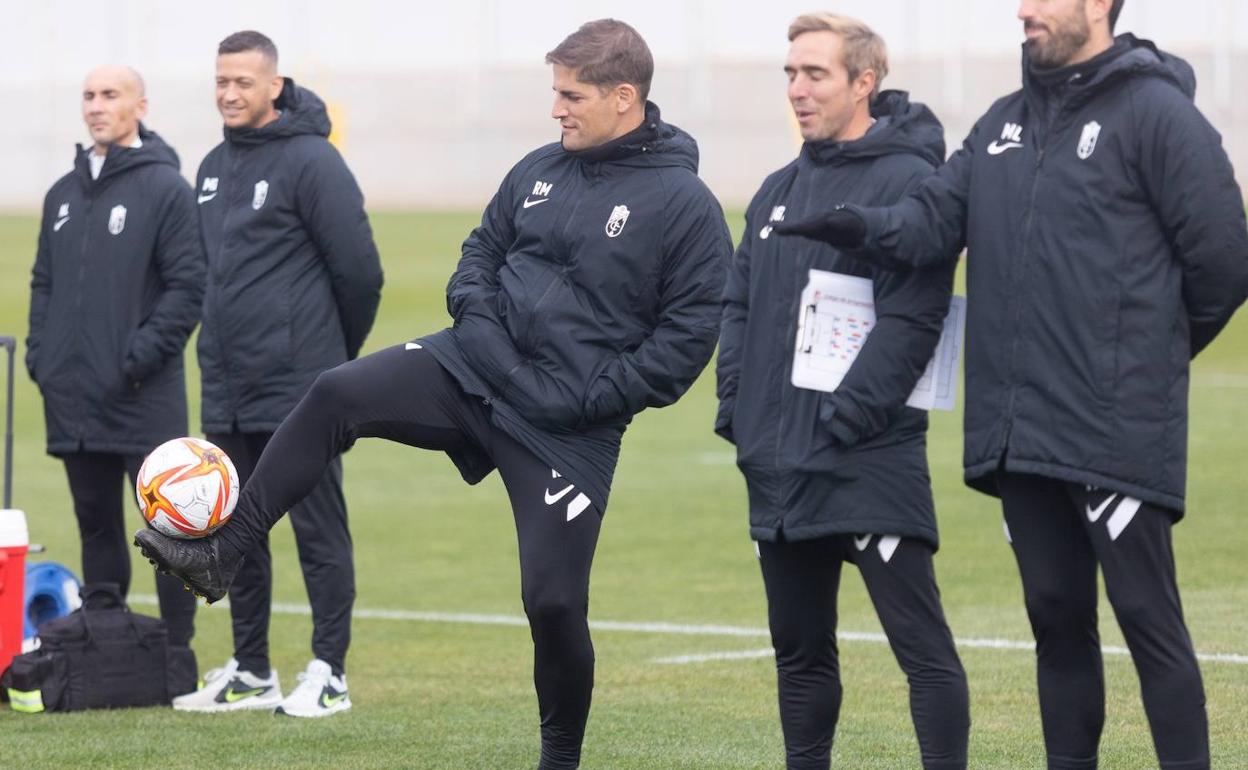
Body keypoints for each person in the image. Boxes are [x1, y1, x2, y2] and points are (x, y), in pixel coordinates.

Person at [138, 18, 728, 767]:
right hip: (470, 368)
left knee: (552, 603)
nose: (556, 110)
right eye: (554, 93)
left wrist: (593, 397)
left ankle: (560, 758)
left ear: (623, 96)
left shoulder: (686, 205)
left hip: (565, 427)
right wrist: (479, 325)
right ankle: (223, 551)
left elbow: (686, 339)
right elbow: (481, 251)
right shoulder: (539, 168)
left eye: (570, 95)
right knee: (334, 394)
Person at [773, 1, 1248, 768]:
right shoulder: (1001, 124)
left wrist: (1142, 364)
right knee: (1056, 622)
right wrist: (854, 224)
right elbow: (930, 223)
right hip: (1019, 436)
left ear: (1098, 5)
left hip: (1116, 426)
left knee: (1147, 620)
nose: (1024, 8)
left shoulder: (1157, 113)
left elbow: (1224, 263)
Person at [715, 14, 969, 770]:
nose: (797, 89)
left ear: (865, 82)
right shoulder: (777, 191)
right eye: (790, 73)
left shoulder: (911, 185)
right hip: (778, 460)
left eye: (815, 74)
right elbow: (740, 302)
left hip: (866, 456)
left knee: (921, 651)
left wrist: (844, 418)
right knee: (798, 656)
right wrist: (737, 405)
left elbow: (915, 320)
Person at [167, 30, 384, 718]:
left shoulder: (314, 161)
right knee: (234, 529)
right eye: (221, 82)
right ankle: (253, 670)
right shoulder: (208, 167)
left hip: (301, 388)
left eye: (243, 82)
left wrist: (328, 360)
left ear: (274, 85)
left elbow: (361, 274)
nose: (230, 94)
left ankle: (330, 669)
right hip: (228, 387)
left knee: (317, 530)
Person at [26, 65, 204, 692]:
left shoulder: (166, 189)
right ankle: (105, 653)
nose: (97, 107)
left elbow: (189, 288)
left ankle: (178, 662)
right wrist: (41, 359)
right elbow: (43, 284)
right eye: (89, 96)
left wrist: (136, 360)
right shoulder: (62, 194)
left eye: (110, 95)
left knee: (168, 530)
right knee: (95, 523)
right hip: (73, 395)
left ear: (139, 105)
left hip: (140, 397)